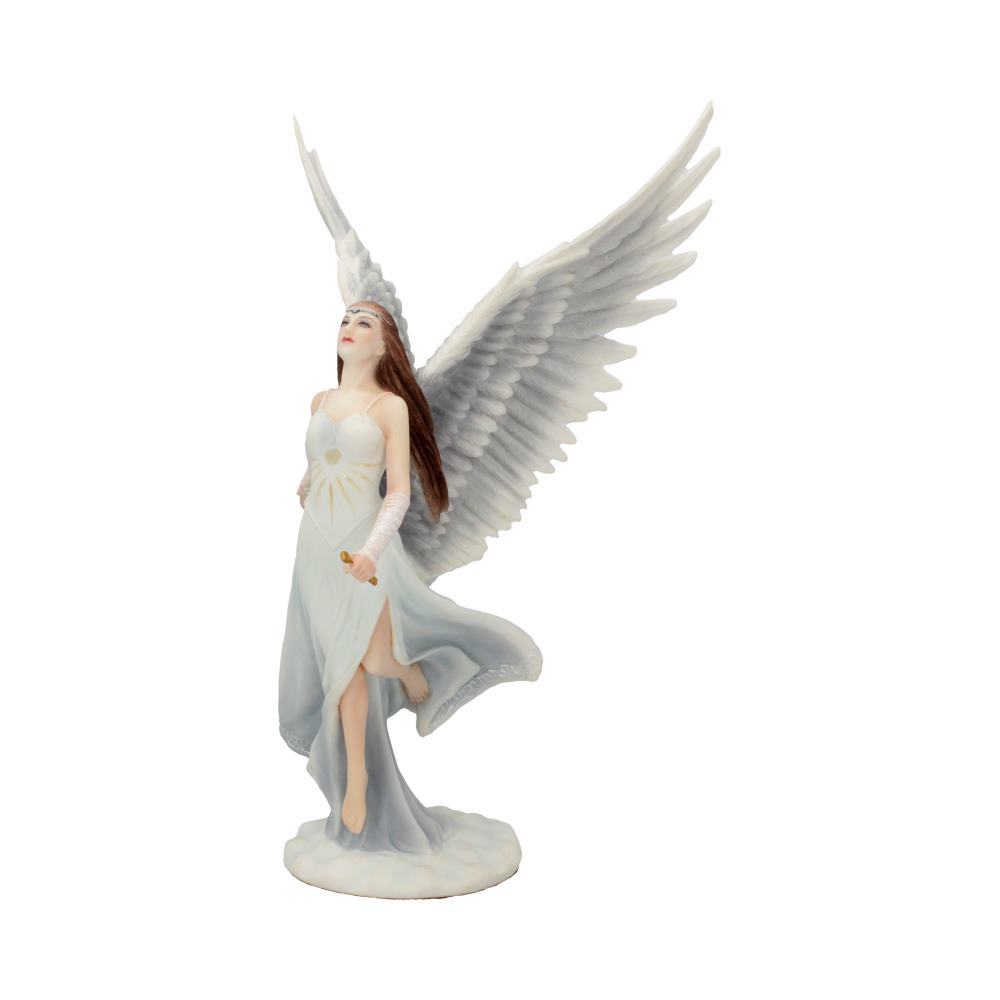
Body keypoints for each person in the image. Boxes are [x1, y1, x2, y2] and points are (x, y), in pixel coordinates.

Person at [278, 300, 543, 853]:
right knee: (342, 668)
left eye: (364, 324)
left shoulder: (390, 407)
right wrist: (305, 484)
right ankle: (357, 778)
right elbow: (323, 459)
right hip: (316, 550)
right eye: (345, 321)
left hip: (363, 546)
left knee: (370, 659)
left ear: (384, 346)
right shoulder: (320, 401)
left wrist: (372, 551)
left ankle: (407, 672)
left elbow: (397, 491)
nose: (349, 329)